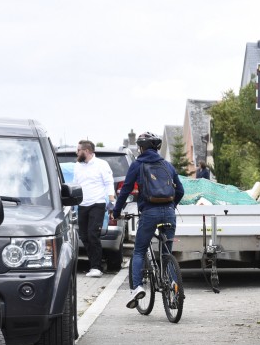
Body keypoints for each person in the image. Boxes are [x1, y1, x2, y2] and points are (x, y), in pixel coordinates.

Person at [113, 131, 185, 308]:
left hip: (149, 213)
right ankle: (175, 291)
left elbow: (126, 190)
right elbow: (180, 190)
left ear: (141, 148)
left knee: (139, 251)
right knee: (167, 252)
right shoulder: (167, 165)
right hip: (169, 212)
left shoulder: (138, 164)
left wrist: (116, 211)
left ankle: (137, 288)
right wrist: (170, 205)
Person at [71, 140, 115, 277]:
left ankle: (96, 267)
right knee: (84, 236)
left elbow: (109, 182)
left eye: (78, 150)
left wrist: (112, 201)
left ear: (87, 151)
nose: (76, 152)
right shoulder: (77, 166)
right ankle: (94, 264)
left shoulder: (102, 165)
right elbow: (75, 184)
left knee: (92, 234)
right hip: (82, 205)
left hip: (97, 204)